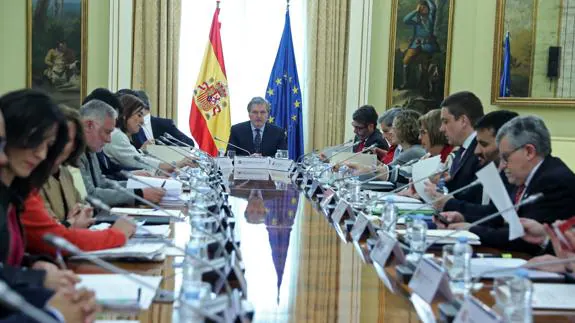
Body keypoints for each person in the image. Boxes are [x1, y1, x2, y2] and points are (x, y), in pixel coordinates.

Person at [447, 116, 575, 254]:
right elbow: (502, 219)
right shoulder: (524, 176)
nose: (502, 165)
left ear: (529, 152)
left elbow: (520, 238)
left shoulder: (553, 181)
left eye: (505, 157)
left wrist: (470, 229)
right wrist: (464, 218)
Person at [21, 105, 133, 257]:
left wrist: (81, 216)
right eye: (53, 141)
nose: (56, 147)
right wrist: (71, 225)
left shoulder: (65, 172)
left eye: (65, 141)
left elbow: (82, 208)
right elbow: (50, 237)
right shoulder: (27, 180)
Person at [78, 99, 166, 207]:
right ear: (89, 125)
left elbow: (102, 183)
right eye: (107, 132)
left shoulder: (90, 149)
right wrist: (138, 194)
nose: (109, 140)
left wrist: (141, 186)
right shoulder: (75, 154)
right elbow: (90, 195)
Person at [429, 110, 518, 215]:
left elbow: (497, 216)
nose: (476, 151)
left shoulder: (516, 175)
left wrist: (450, 203)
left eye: (484, 144)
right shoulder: (490, 165)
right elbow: (470, 198)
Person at [103, 94, 193, 172]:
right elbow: (139, 162)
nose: (142, 121)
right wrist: (176, 164)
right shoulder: (117, 136)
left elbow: (136, 159)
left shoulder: (120, 134)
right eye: (139, 115)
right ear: (125, 115)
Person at [435, 91, 484, 203]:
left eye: (445, 121)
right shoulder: (462, 149)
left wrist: (441, 192)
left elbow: (472, 197)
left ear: (463, 121)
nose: (441, 128)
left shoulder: (481, 151)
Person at [82, 88, 141, 180]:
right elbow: (92, 190)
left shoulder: (91, 148)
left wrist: (131, 175)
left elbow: (108, 172)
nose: (109, 139)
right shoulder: (77, 153)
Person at [120, 89, 196, 149]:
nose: (142, 121)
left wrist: (161, 150)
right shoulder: (124, 129)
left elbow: (189, 143)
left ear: (146, 107)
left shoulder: (164, 124)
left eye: (141, 114)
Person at [400, 0, 439, 89]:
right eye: (421, 8)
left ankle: (426, 87)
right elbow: (405, 20)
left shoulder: (430, 19)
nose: (423, 9)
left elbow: (433, 8)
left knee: (425, 67)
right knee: (405, 61)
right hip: (416, 45)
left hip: (428, 45)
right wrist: (415, 11)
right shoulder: (416, 21)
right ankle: (406, 83)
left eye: (424, 7)